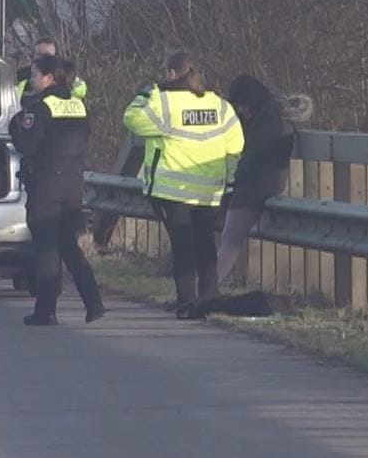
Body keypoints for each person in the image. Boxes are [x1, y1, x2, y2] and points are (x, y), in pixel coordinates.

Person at [122, 50, 244, 318]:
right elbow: (235, 146)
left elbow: (132, 119)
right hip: (209, 191)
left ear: (173, 74)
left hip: (173, 191)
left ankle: (187, 300)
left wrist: (146, 94)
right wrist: (230, 181)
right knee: (205, 244)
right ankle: (209, 297)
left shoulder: (164, 103)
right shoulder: (220, 105)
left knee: (182, 246)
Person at [10, 54, 104, 326]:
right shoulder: (78, 105)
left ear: (49, 78)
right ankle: (94, 302)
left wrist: (17, 126)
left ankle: (46, 311)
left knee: (46, 248)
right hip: (73, 184)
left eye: (36, 75)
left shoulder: (41, 107)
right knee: (68, 247)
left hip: (47, 183)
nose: (33, 80)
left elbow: (26, 145)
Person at [216, 75, 298, 286]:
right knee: (227, 238)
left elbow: (255, 155)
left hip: (258, 185)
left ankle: (206, 289)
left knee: (229, 241)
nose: (240, 111)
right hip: (264, 182)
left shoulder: (269, 119)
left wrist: (233, 178)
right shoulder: (271, 116)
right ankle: (203, 288)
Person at [16, 36, 87, 100]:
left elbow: (80, 90)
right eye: (39, 54)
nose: (43, 58)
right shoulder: (21, 76)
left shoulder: (66, 76)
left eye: (47, 55)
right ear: (33, 55)